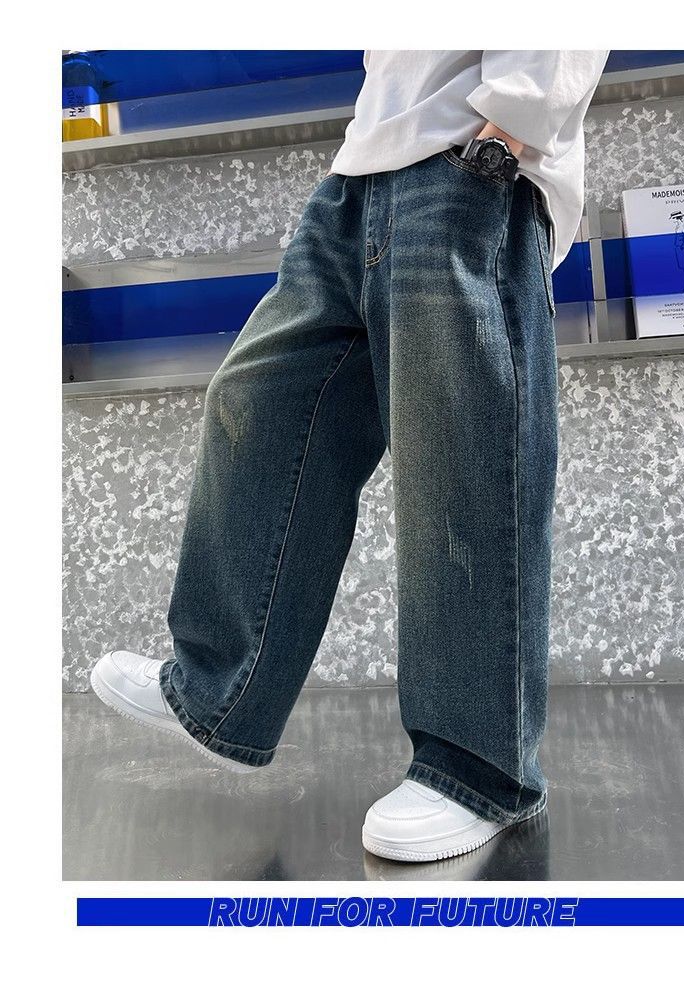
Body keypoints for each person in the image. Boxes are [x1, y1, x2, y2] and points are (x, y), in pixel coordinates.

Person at [91, 49, 609, 862]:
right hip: (358, 175)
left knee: (460, 467)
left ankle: (476, 770)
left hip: (471, 161)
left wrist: (507, 132)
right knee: (261, 402)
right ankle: (221, 689)